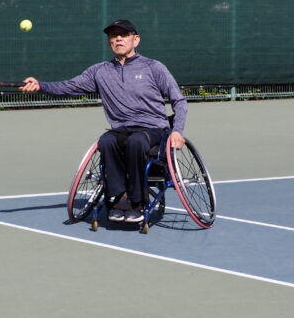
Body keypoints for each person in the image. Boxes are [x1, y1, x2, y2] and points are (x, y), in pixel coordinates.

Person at [20, 19, 187, 224]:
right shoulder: (100, 71)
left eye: (123, 35)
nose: (118, 39)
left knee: (136, 141)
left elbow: (179, 100)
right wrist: (41, 86)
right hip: (121, 130)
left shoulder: (154, 67)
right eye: (113, 36)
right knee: (106, 141)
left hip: (152, 128)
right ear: (109, 42)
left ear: (136, 40)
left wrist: (177, 130)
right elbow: (69, 86)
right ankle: (119, 197)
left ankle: (137, 201)